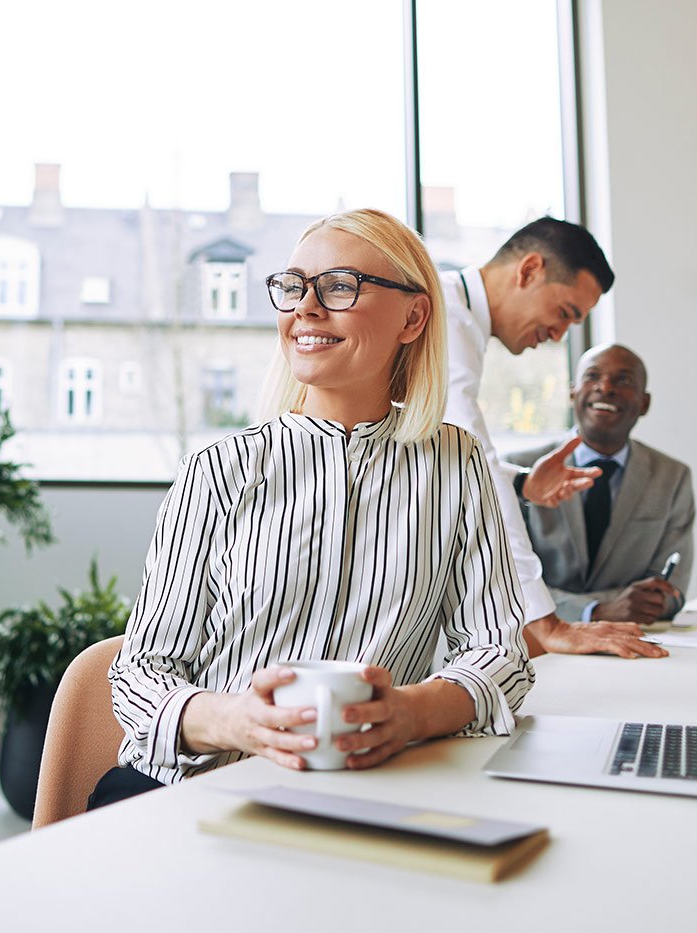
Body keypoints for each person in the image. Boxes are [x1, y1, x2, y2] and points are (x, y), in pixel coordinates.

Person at [95, 209, 533, 804]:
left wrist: (412, 712)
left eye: (340, 286)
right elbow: (139, 674)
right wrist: (237, 721)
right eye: (294, 286)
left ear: (413, 317)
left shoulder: (456, 463)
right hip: (198, 791)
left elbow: (500, 653)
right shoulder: (220, 469)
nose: (305, 307)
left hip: (368, 795)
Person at [441, 217, 667, 659]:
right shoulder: (447, 320)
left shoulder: (458, 317)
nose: (559, 336)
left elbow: (454, 455)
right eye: (564, 313)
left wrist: (523, 483)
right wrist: (546, 623)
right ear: (529, 270)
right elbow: (473, 465)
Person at [505, 344, 694, 624]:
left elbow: (671, 589)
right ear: (572, 392)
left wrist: (655, 601)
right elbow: (506, 582)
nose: (605, 388)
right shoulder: (518, 471)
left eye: (623, 379)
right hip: (535, 639)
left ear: (644, 403)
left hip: (630, 639)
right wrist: (595, 610)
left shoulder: (672, 476)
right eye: (592, 376)